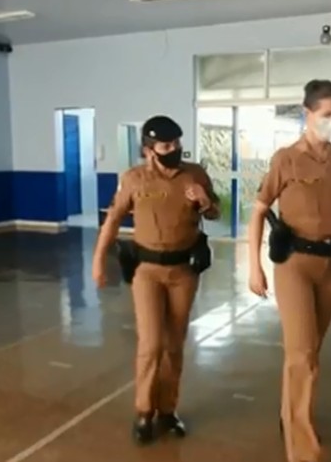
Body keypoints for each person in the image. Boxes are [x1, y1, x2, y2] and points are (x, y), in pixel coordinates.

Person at [247, 79, 331, 462]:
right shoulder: (285, 159)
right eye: (326, 115)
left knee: (309, 353)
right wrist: (253, 266)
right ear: (307, 114)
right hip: (293, 266)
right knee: (302, 354)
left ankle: (290, 413)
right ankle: (303, 450)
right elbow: (259, 210)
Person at [92, 115, 219, 445]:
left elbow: (216, 211)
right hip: (147, 272)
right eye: (166, 145)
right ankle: (144, 412)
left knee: (174, 345)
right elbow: (113, 219)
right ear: (149, 150)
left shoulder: (195, 175)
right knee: (150, 344)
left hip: (183, 272)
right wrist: (98, 261)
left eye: (177, 143)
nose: (174, 149)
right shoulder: (133, 179)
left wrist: (204, 202)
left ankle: (167, 410)